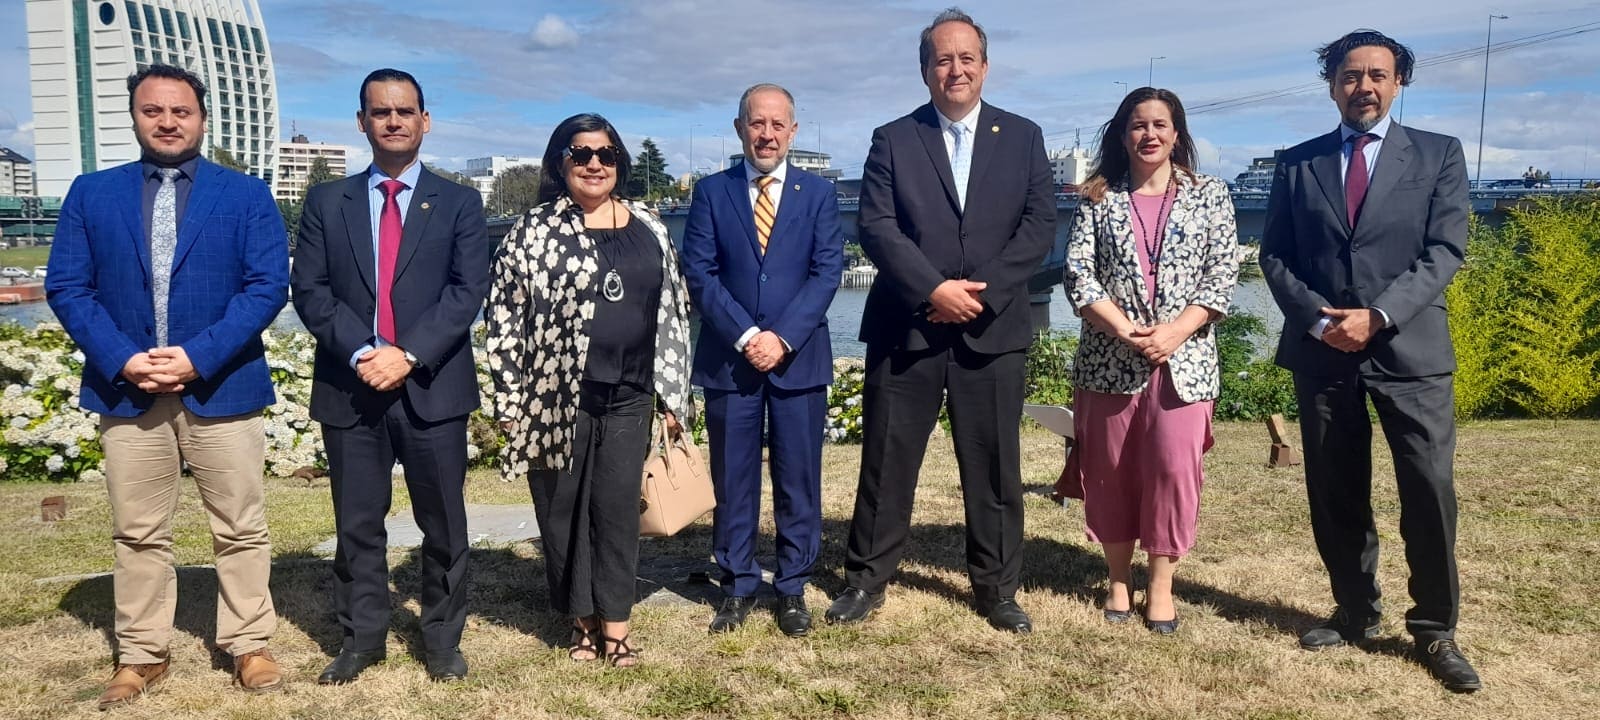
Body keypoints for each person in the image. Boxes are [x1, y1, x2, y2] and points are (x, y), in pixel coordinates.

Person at [45, 64, 288, 709]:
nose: (168, 121)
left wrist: (197, 357)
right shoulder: (91, 193)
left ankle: (248, 644)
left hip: (222, 386)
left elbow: (266, 287)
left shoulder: (246, 195)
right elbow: (68, 286)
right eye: (153, 110)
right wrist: (124, 360)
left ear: (202, 119)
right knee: (139, 530)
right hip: (127, 392)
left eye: (181, 111)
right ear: (135, 117)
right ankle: (143, 653)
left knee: (240, 525)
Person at [1259, 30, 1480, 692]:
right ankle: (1355, 609)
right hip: (1323, 351)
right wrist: (1322, 318)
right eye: (1350, 75)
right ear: (1331, 84)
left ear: (1399, 83)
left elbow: (1445, 249)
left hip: (1408, 350)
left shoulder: (1438, 155)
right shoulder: (1298, 163)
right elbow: (1275, 255)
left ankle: (1436, 628)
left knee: (1429, 490)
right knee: (1334, 489)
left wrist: (1378, 315)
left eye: (1378, 75)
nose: (1364, 86)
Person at [828, 8, 1057, 633]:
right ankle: (866, 579)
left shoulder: (1026, 136)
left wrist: (977, 293)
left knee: (994, 463)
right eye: (942, 59)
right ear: (925, 70)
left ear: (984, 66)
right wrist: (932, 287)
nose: (954, 69)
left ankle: (997, 587)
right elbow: (875, 225)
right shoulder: (892, 138)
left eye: (966, 58)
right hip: (909, 325)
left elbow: (1039, 225)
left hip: (992, 327)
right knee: (887, 458)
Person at [290, 68, 490, 684]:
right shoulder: (327, 201)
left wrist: (405, 354)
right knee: (356, 521)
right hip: (352, 386)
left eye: (406, 111)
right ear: (362, 122)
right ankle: (361, 638)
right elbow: (311, 290)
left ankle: (442, 639)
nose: (394, 121)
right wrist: (363, 353)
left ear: (425, 121)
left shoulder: (460, 201)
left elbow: (466, 292)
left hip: (432, 385)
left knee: (443, 522)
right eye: (381, 112)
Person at [486, 113, 694, 668]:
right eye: (581, 154)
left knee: (618, 510)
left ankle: (617, 628)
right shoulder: (533, 230)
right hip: (556, 396)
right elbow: (504, 319)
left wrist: (675, 397)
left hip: (632, 393)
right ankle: (581, 624)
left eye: (605, 154)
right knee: (564, 512)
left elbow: (673, 312)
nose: (594, 164)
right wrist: (510, 401)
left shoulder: (650, 223)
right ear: (562, 163)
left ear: (618, 161)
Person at [1063, 88, 1239, 634]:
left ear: (1178, 133)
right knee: (1111, 472)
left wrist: (1175, 332)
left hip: (1184, 365)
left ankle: (1161, 584)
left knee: (1172, 471)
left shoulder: (1211, 195)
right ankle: (1119, 579)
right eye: (1139, 125)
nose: (1150, 135)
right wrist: (1125, 330)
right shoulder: (1097, 198)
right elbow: (1078, 275)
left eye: (1161, 124)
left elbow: (1222, 275)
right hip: (1108, 361)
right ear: (1123, 134)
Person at [681, 84, 845, 637]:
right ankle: (737, 583)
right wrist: (748, 334)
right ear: (739, 128)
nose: (767, 134)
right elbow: (699, 273)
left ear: (793, 131)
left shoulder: (819, 195)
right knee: (734, 477)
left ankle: (793, 584)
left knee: (799, 476)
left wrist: (782, 338)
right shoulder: (711, 192)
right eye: (757, 123)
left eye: (778, 124)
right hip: (732, 361)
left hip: (798, 359)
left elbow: (827, 273)